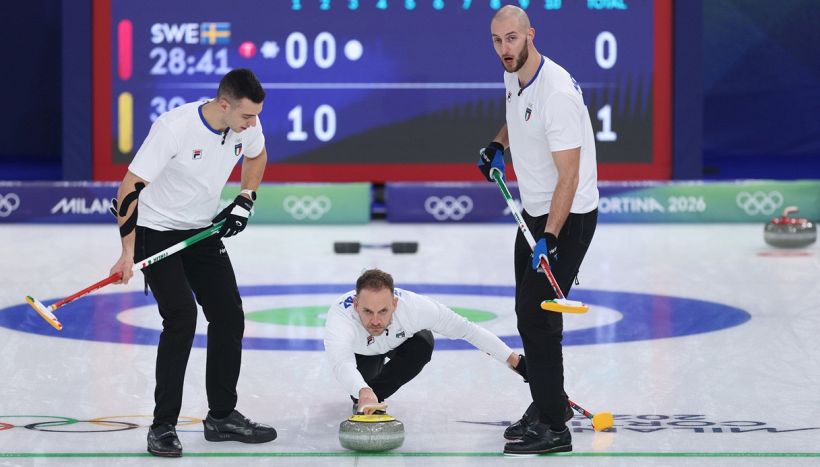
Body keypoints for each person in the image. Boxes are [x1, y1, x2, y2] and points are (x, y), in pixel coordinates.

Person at [108, 68, 277, 457]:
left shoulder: (246, 127)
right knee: (181, 318)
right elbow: (130, 188)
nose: (253, 123)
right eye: (247, 116)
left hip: (201, 230)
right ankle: (163, 425)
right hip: (156, 229)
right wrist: (127, 252)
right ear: (223, 105)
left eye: (255, 116)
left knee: (229, 315)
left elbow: (258, 154)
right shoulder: (175, 127)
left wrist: (245, 199)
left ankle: (221, 417)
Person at [477, 5, 599, 456]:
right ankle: (547, 401)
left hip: (567, 219)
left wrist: (550, 236)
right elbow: (516, 114)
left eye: (511, 39)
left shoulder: (557, 93)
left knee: (537, 317)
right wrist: (497, 145)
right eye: (496, 40)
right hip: (534, 213)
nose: (504, 49)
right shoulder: (517, 73)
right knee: (530, 314)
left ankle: (554, 427)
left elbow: (569, 176)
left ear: (530, 34)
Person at [324, 269, 528, 415]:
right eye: (367, 311)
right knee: (358, 391)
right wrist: (362, 391)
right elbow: (342, 363)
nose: (375, 320)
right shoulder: (340, 319)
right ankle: (369, 393)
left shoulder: (415, 308)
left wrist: (516, 361)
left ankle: (375, 395)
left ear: (395, 304)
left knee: (422, 342)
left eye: (383, 311)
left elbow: (468, 331)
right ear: (356, 305)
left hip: (398, 344)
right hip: (361, 353)